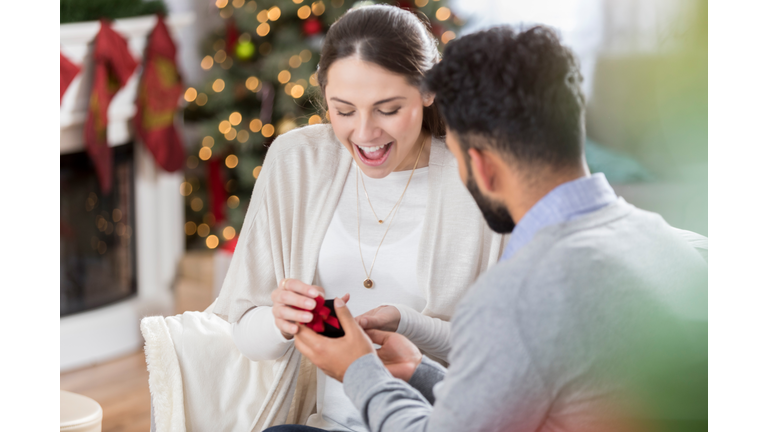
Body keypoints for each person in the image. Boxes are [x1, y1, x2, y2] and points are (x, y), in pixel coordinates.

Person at [290, 26, 708, 432]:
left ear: (483, 167)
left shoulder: (517, 294)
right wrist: (421, 373)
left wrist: (358, 369)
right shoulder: (669, 246)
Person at [212, 5, 508, 431]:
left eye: (387, 109)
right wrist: (280, 320)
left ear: (428, 91)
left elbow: (503, 357)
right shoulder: (298, 161)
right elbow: (243, 331)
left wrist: (407, 324)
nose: (365, 134)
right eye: (344, 110)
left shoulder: (477, 181)